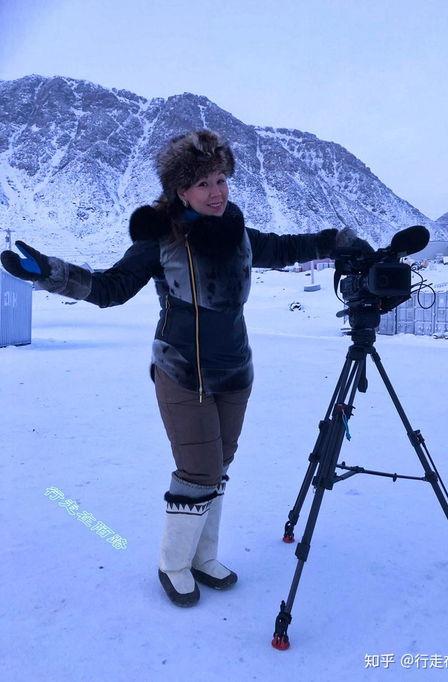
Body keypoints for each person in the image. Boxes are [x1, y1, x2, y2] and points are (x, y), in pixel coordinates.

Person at [1, 129, 370, 607]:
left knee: (219, 467)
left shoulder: (237, 233)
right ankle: (174, 564)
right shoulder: (161, 240)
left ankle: (202, 556)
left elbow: (284, 248)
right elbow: (112, 288)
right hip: (182, 373)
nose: (216, 192)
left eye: (221, 179)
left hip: (236, 373)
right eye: (202, 183)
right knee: (198, 470)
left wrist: (334, 242)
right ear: (180, 190)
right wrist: (53, 274)